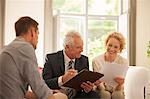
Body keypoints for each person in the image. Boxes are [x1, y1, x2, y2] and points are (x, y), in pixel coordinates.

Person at [0, 16, 67, 99]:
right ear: (32, 32)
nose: (37, 39)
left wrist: (49, 92)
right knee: (62, 96)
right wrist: (51, 96)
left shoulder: (7, 49)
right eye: (37, 34)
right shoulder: (25, 47)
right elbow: (37, 84)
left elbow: (22, 90)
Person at [42, 30, 100, 99]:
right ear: (67, 47)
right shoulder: (51, 59)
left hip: (77, 95)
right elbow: (44, 83)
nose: (82, 50)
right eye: (78, 47)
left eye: (82, 47)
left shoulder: (84, 60)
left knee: (94, 95)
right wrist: (62, 79)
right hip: (59, 93)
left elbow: (85, 84)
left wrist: (88, 87)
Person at [92, 32, 128, 99]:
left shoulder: (124, 62)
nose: (111, 49)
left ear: (120, 49)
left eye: (116, 47)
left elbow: (120, 86)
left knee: (117, 95)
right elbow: (99, 85)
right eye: (110, 45)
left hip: (118, 89)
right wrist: (103, 89)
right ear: (106, 44)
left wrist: (120, 84)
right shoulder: (96, 61)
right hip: (101, 89)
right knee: (105, 95)